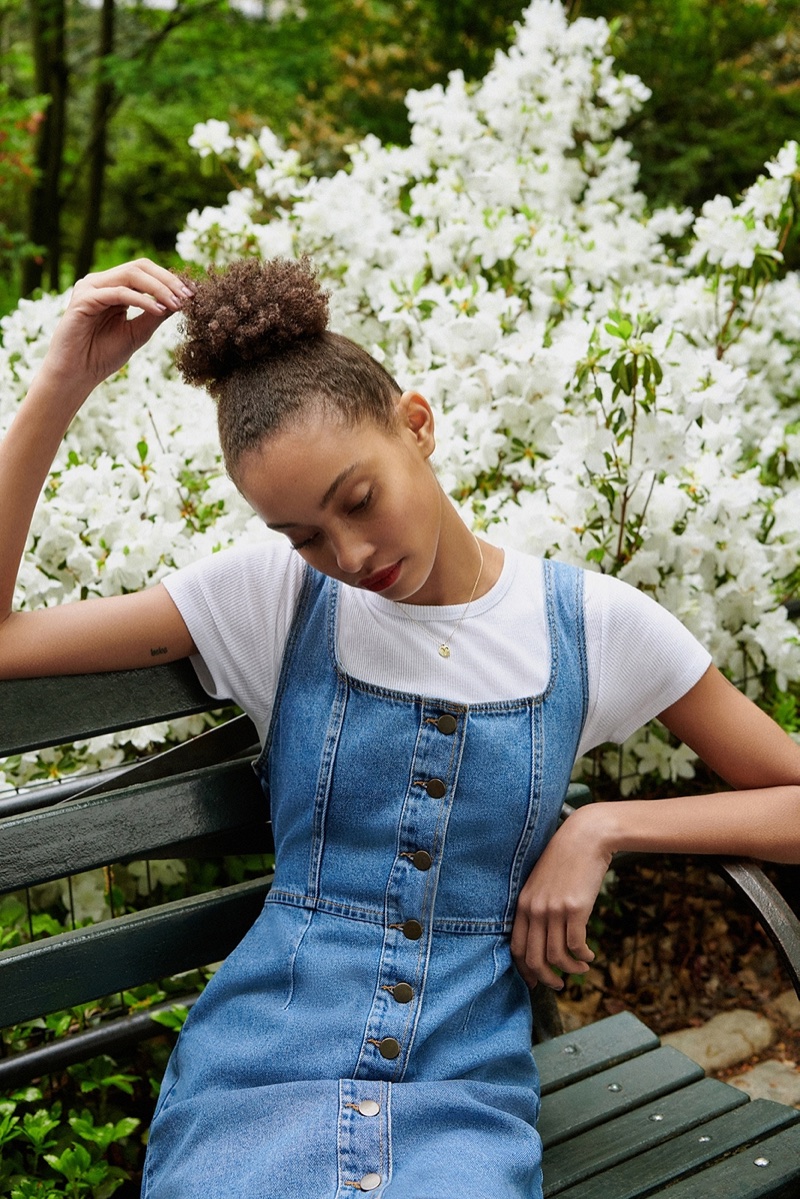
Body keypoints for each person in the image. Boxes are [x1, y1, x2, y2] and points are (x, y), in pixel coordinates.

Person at [1, 258, 799, 1199]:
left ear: (416, 426)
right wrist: (62, 382)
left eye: (358, 498)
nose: (350, 555)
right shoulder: (270, 601)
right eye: (304, 534)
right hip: (259, 1077)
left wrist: (606, 826)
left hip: (461, 1096)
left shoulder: (593, 624)